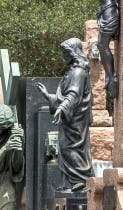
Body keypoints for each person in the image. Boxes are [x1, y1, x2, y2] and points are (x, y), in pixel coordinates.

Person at [36, 38, 94, 193]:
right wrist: (49, 96)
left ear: (73, 52)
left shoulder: (78, 72)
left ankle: (79, 181)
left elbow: (74, 95)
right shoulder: (72, 71)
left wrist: (62, 107)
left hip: (76, 121)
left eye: (65, 52)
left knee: (70, 148)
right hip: (70, 120)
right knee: (64, 148)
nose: (63, 56)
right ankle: (70, 182)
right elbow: (66, 96)